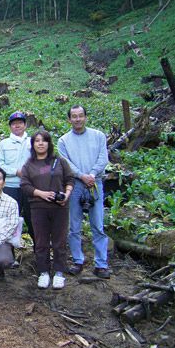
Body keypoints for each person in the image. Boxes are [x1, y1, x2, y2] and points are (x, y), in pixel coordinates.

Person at [58, 105, 110, 279]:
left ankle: (101, 264)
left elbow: (103, 158)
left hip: (95, 183)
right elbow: (66, 163)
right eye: (74, 116)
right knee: (74, 225)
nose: (78, 119)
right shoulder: (64, 140)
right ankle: (77, 261)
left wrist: (92, 174)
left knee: (98, 224)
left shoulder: (98, 136)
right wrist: (81, 175)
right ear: (69, 119)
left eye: (81, 116)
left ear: (85, 117)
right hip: (75, 184)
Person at [21, 131, 74, 289]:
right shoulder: (29, 165)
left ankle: (59, 272)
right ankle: (43, 272)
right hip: (38, 207)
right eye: (37, 141)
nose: (40, 143)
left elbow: (70, 179)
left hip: (60, 208)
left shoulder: (59, 161)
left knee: (60, 240)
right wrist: (41, 194)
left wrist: (67, 194)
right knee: (41, 241)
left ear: (49, 143)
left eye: (44, 140)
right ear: (33, 144)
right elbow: (25, 185)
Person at [0, 111, 35, 248]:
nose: (17, 126)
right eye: (14, 123)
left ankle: (38, 251)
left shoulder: (33, 142)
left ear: (25, 125)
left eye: (20, 123)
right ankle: (8, 253)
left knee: (32, 219)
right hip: (10, 187)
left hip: (30, 187)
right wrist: (15, 172)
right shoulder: (4, 144)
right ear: (10, 126)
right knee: (9, 220)